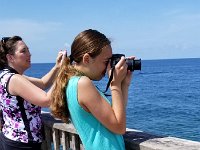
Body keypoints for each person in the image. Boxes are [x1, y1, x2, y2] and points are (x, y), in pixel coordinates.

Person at [50, 29, 133, 150]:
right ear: (87, 59)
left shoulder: (72, 82)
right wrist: (114, 85)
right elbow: (119, 127)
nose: (109, 66)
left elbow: (116, 114)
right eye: (106, 61)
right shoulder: (83, 84)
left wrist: (123, 84)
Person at [0, 36, 65, 150]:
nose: (29, 54)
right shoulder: (15, 79)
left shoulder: (5, 76)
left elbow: (43, 83)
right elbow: (46, 100)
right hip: (23, 144)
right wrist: (64, 73)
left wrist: (57, 67)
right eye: (23, 51)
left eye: (28, 50)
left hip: (10, 139)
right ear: (10, 57)